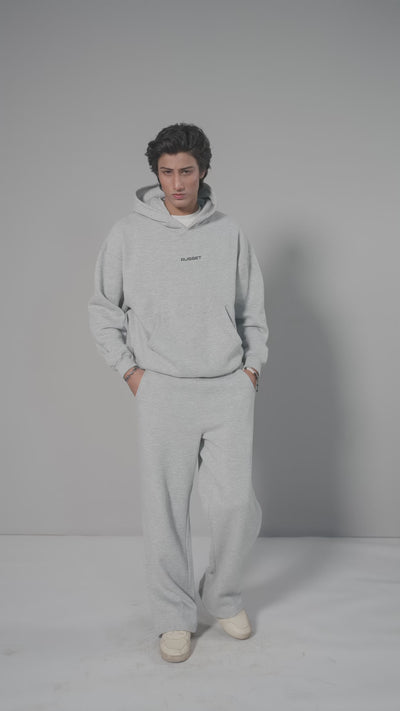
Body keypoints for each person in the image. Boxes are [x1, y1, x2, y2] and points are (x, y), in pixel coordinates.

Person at [88, 123, 269, 663]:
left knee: (235, 505)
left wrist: (252, 369)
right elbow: (103, 309)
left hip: (227, 387)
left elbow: (251, 310)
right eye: (166, 172)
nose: (177, 183)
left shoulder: (229, 232)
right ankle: (173, 616)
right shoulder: (128, 233)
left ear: (203, 171)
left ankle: (222, 596)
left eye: (186, 171)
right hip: (162, 389)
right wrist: (130, 372)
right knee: (165, 511)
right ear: (156, 175)